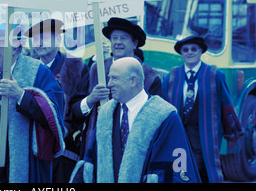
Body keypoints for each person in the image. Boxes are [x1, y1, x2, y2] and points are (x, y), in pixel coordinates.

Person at [70, 57, 200, 183]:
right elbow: (91, 161)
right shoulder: (106, 113)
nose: (109, 84)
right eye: (109, 78)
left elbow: (175, 171)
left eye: (114, 78)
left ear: (133, 81)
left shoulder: (165, 116)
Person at [0, 23, 65, 183]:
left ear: (15, 47)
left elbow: (54, 119)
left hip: (27, 168)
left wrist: (21, 96)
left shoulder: (39, 72)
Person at [71, 17, 162, 158]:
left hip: (133, 149)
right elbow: (74, 110)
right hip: (97, 149)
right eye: (114, 38)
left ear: (135, 43)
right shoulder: (96, 70)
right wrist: (90, 99)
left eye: (123, 38)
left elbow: (156, 118)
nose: (118, 42)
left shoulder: (149, 77)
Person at [162, 36, 243, 183]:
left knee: (203, 171)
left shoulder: (214, 75)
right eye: (185, 50)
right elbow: (162, 107)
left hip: (205, 137)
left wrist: (232, 134)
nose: (190, 52)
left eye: (194, 49)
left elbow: (226, 106)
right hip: (179, 137)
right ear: (181, 53)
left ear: (201, 51)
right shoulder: (172, 77)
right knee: (180, 173)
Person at [24, 18, 89, 183]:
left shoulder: (76, 67)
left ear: (58, 39)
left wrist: (64, 128)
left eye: (44, 38)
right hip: (30, 148)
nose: (39, 43)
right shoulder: (25, 69)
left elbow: (80, 106)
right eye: (35, 39)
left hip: (65, 150)